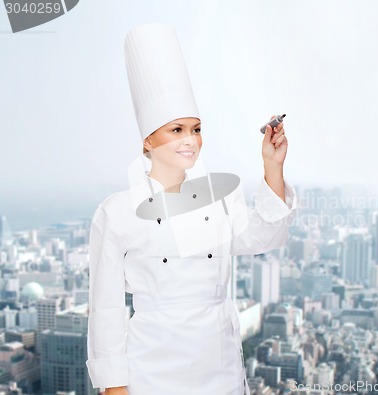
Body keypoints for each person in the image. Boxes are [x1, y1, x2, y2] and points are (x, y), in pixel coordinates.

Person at [85, 23, 297, 395]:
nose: (190, 141)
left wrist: (272, 167)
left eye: (196, 129)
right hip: (151, 366)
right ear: (148, 140)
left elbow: (268, 236)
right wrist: (114, 386)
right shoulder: (116, 212)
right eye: (176, 130)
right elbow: (105, 307)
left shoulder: (219, 197)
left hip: (219, 361)